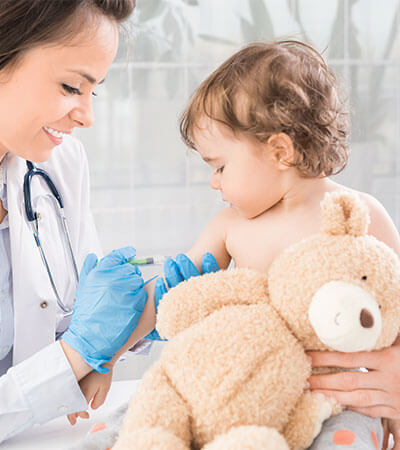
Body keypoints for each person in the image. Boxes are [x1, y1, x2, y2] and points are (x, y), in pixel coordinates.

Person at [70, 40, 400, 448]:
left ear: (279, 150)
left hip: (331, 399)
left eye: (220, 166)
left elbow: (393, 309)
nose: (214, 182)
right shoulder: (231, 226)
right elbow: (171, 293)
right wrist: (107, 357)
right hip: (236, 392)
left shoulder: (358, 217)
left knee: (350, 437)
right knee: (130, 422)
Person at [0, 0, 213, 443]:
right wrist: (77, 353)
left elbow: (67, 317)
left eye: (92, 91)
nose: (87, 116)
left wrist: (140, 316)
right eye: (70, 86)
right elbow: (73, 349)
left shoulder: (59, 164)